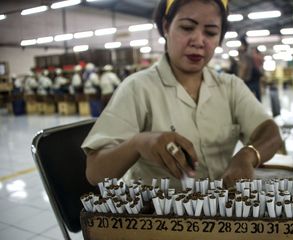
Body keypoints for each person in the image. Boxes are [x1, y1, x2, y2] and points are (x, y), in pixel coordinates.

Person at [82, 0, 282, 189]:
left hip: (221, 213)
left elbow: (269, 132)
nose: (198, 41)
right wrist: (138, 143)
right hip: (160, 218)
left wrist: (248, 155)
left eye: (211, 32)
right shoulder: (137, 89)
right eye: (187, 28)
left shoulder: (230, 87)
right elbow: (95, 172)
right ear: (166, 27)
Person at [237, 36, 261, 101]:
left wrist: (240, 77)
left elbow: (244, 66)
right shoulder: (249, 53)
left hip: (249, 77)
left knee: (247, 95)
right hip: (253, 77)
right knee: (255, 95)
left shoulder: (245, 54)